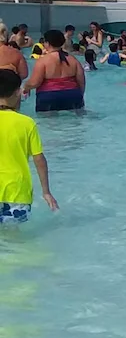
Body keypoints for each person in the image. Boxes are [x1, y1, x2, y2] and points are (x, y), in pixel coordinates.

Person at [0, 69, 57, 224]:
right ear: (17, 92)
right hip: (17, 192)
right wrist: (46, 192)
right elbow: (39, 159)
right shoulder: (26, 123)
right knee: (14, 239)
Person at [25, 30, 86, 112]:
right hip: (72, 94)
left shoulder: (43, 61)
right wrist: (79, 95)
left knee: (49, 124)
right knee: (73, 123)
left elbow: (35, 82)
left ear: (47, 43)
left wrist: (26, 87)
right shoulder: (73, 60)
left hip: (49, 96)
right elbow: (81, 81)